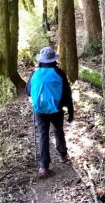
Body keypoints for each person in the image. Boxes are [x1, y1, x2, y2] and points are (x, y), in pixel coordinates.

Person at [26, 46, 74, 177]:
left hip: (39, 110)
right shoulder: (59, 73)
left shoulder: (34, 73)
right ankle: (63, 155)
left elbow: (28, 91)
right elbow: (67, 94)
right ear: (54, 60)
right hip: (56, 109)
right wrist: (70, 111)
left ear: (41, 60)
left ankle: (43, 166)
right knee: (58, 130)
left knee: (43, 135)